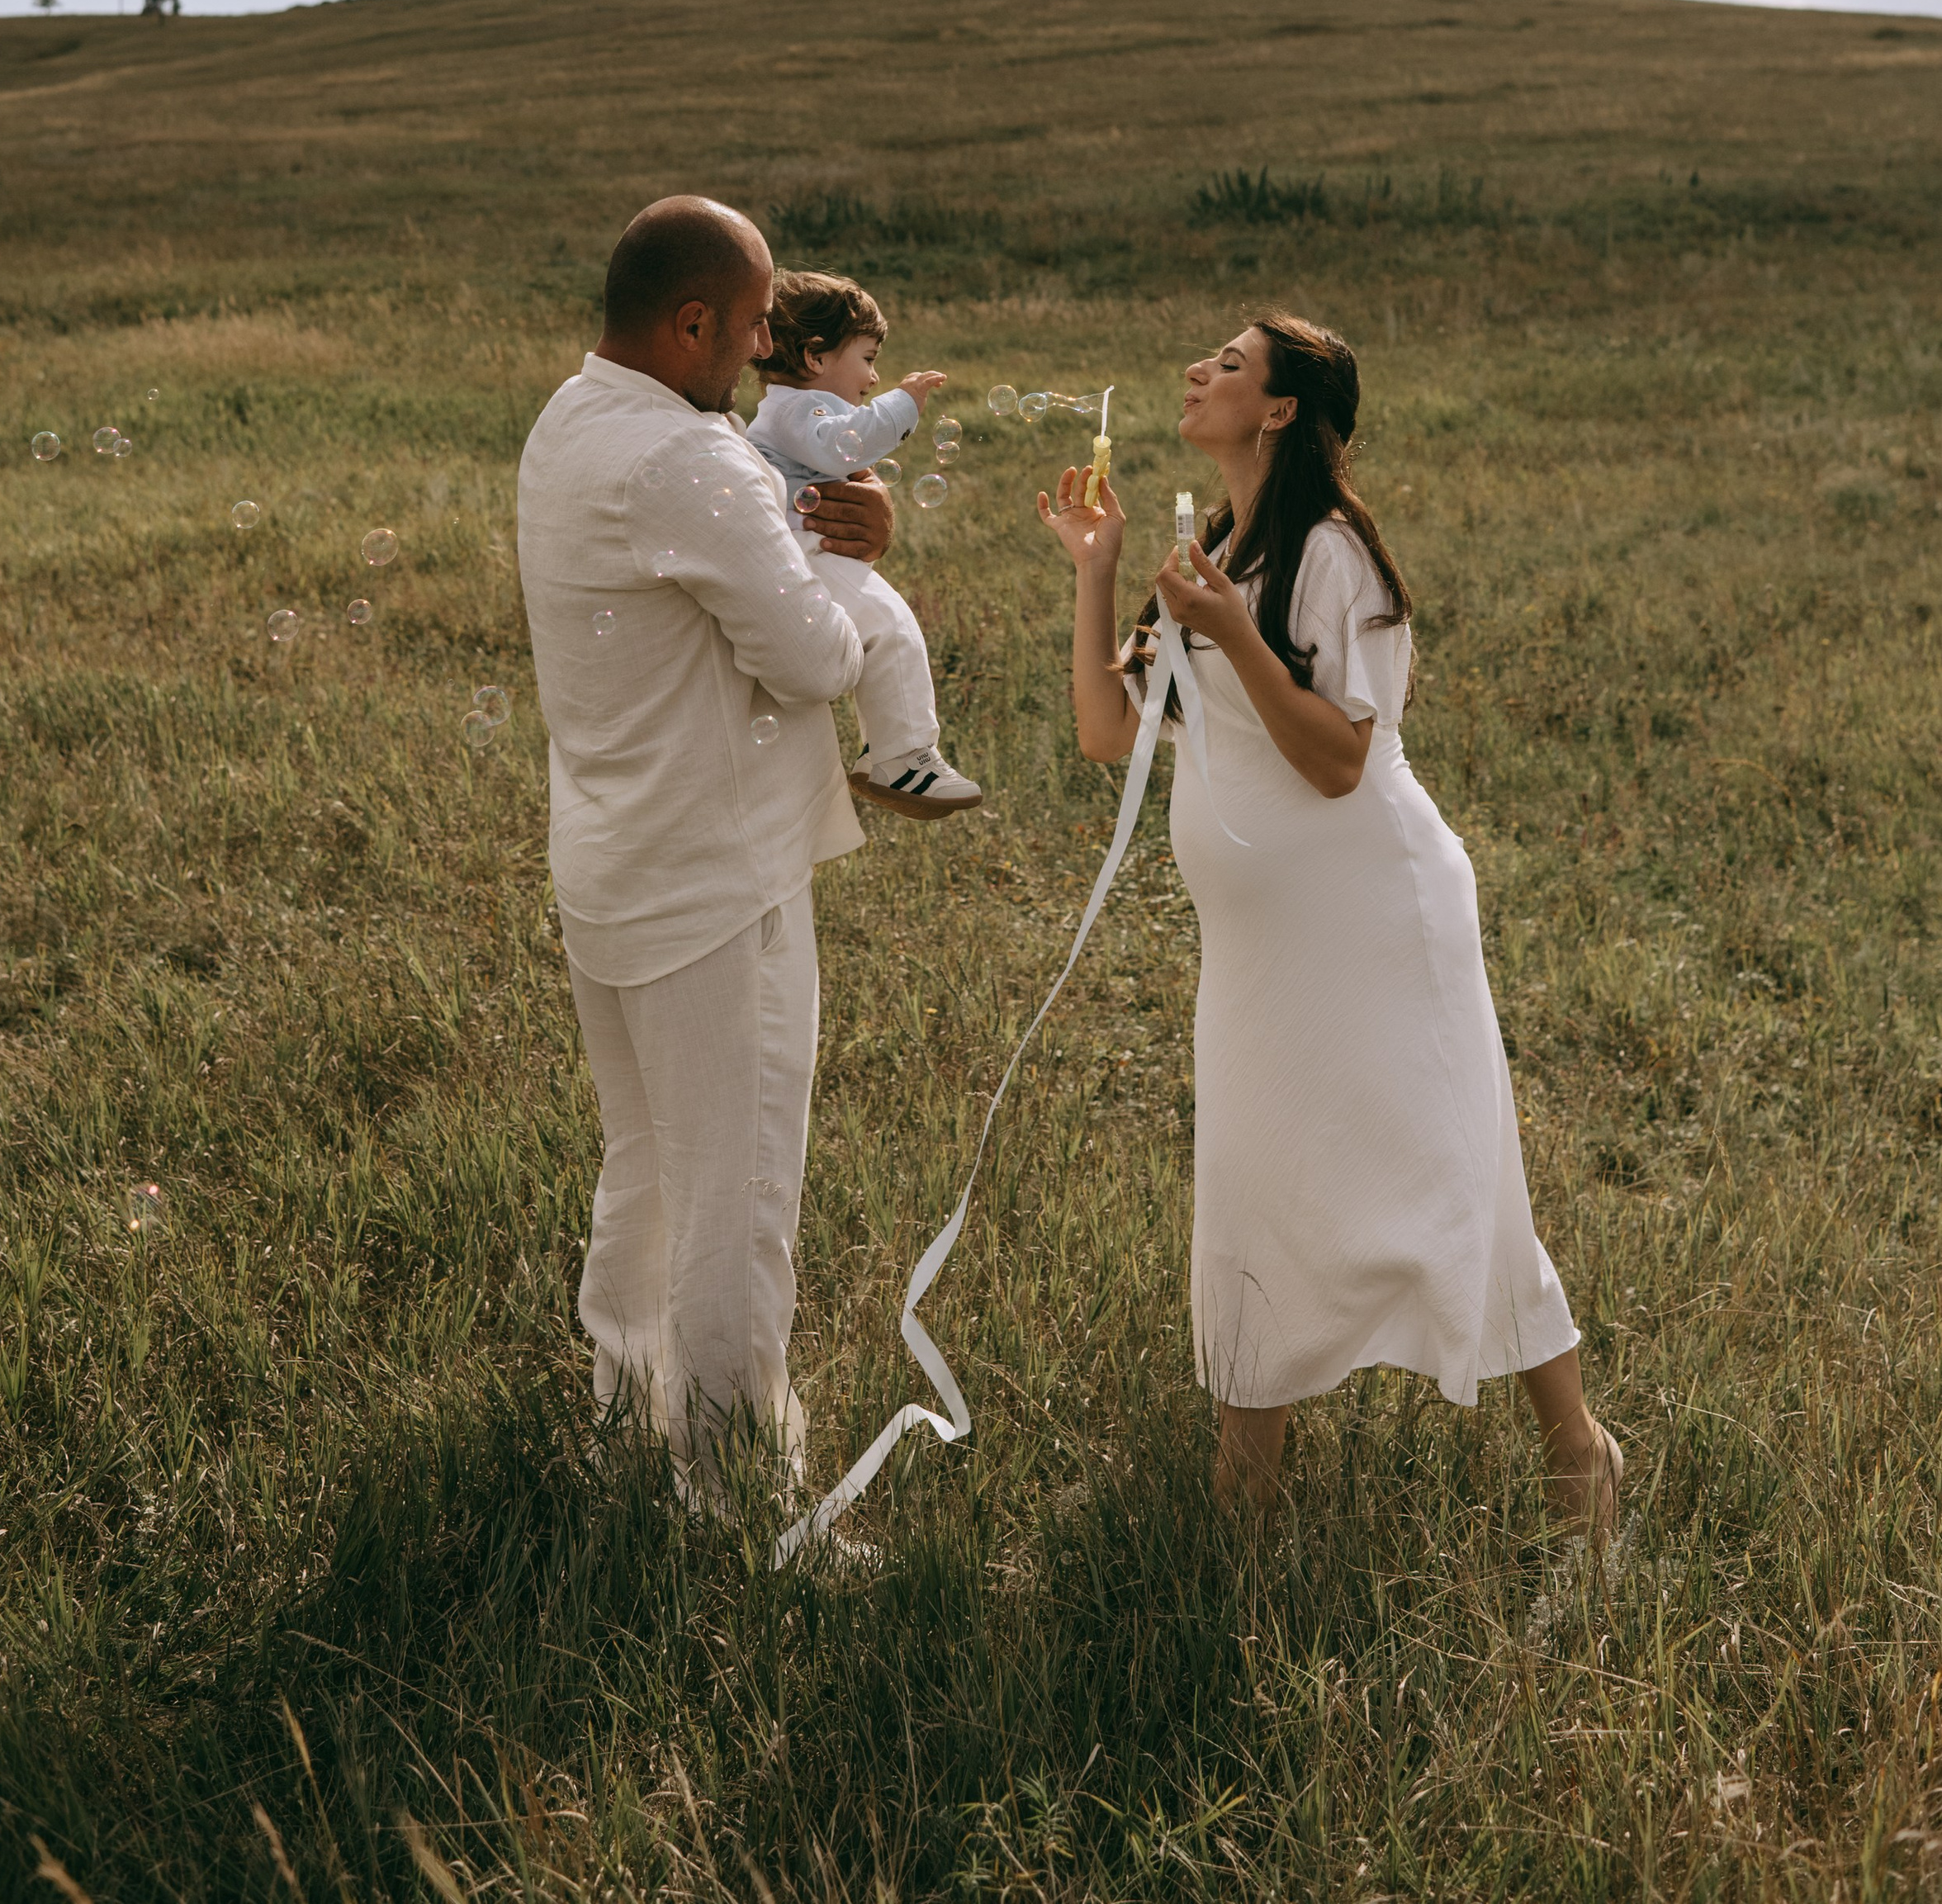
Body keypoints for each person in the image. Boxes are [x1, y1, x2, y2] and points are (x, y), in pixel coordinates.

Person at [1038, 310, 1622, 1541]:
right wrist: (1098, 569)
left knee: (1452, 1174)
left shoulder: (1330, 550)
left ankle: (1578, 1454)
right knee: (1255, 1179)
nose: (1196, 371)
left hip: (1376, 920)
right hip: (1263, 949)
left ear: (1281, 409)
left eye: (1228, 364)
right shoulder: (1212, 546)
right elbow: (1107, 731)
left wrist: (1230, 633)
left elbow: (1339, 763)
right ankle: (1249, 1485)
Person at [517, 194, 897, 1494]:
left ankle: (630, 1425)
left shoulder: (572, 420)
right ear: (689, 324)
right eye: (746, 329)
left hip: (614, 865)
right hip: (716, 884)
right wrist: (864, 562)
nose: (763, 352)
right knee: (738, 1194)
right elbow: (816, 660)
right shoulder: (691, 459)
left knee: (648, 1165)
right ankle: (738, 1498)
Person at [749, 267, 983, 817]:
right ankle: (901, 759)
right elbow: (846, 447)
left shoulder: (794, 410)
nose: (874, 378)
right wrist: (905, 403)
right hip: (801, 553)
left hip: (803, 551)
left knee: (888, 624)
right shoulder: (797, 409)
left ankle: (895, 753)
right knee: (890, 625)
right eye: (869, 358)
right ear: (815, 357)